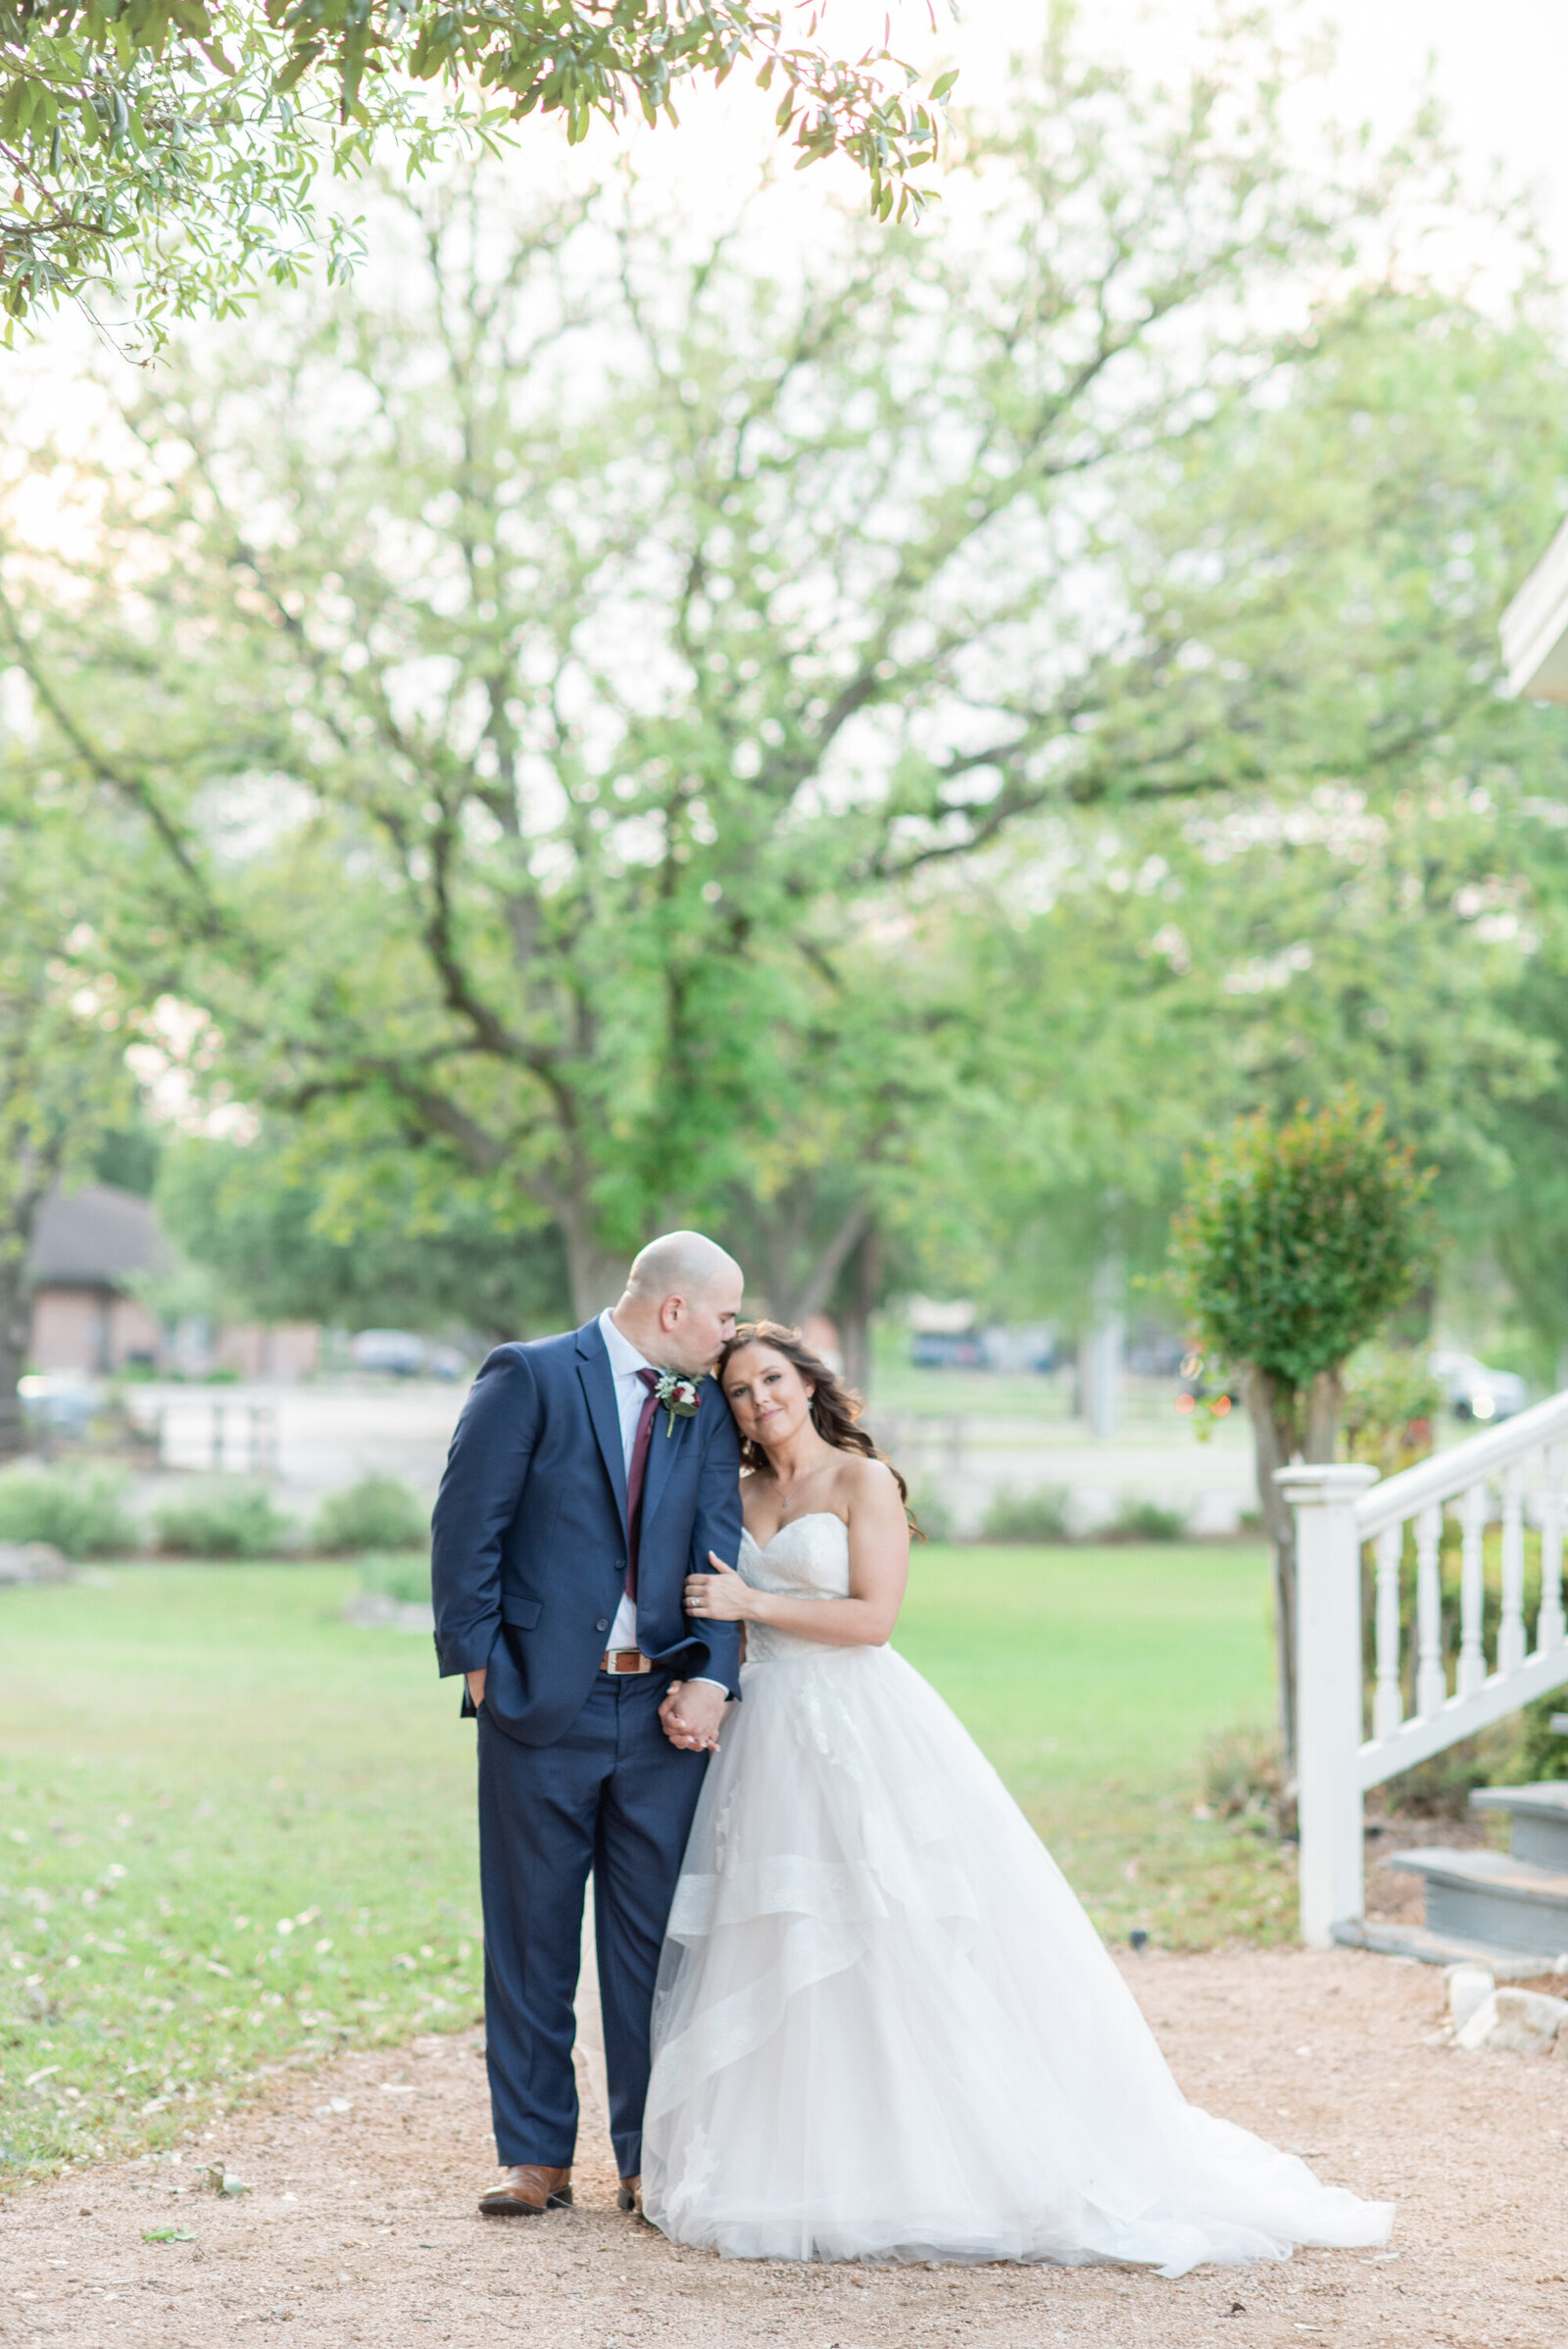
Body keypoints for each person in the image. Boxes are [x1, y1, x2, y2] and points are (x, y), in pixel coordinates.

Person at [641, 1321, 1395, 2275]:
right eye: (741, 1391)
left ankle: (933, 2161)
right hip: (765, 1735)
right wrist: (703, 1677)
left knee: (887, 1927)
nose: (760, 1401)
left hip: (856, 1723)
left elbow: (873, 1620)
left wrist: (754, 1606)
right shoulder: (737, 1493)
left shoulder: (860, 1482)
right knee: (782, 1939)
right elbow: (711, 1616)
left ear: (807, 1382)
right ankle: (796, 2160)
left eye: (772, 1380)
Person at [430, 1231, 746, 2222]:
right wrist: (485, 1674)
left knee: (651, 1950)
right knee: (530, 1936)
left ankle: (647, 2161)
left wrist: (715, 1678)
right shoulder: (527, 1376)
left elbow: (719, 1549)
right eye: (725, 1315)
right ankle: (534, 2157)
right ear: (672, 1311)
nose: (732, 1335)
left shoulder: (705, 1405)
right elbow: (464, 1528)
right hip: (537, 1704)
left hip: (660, 1712)